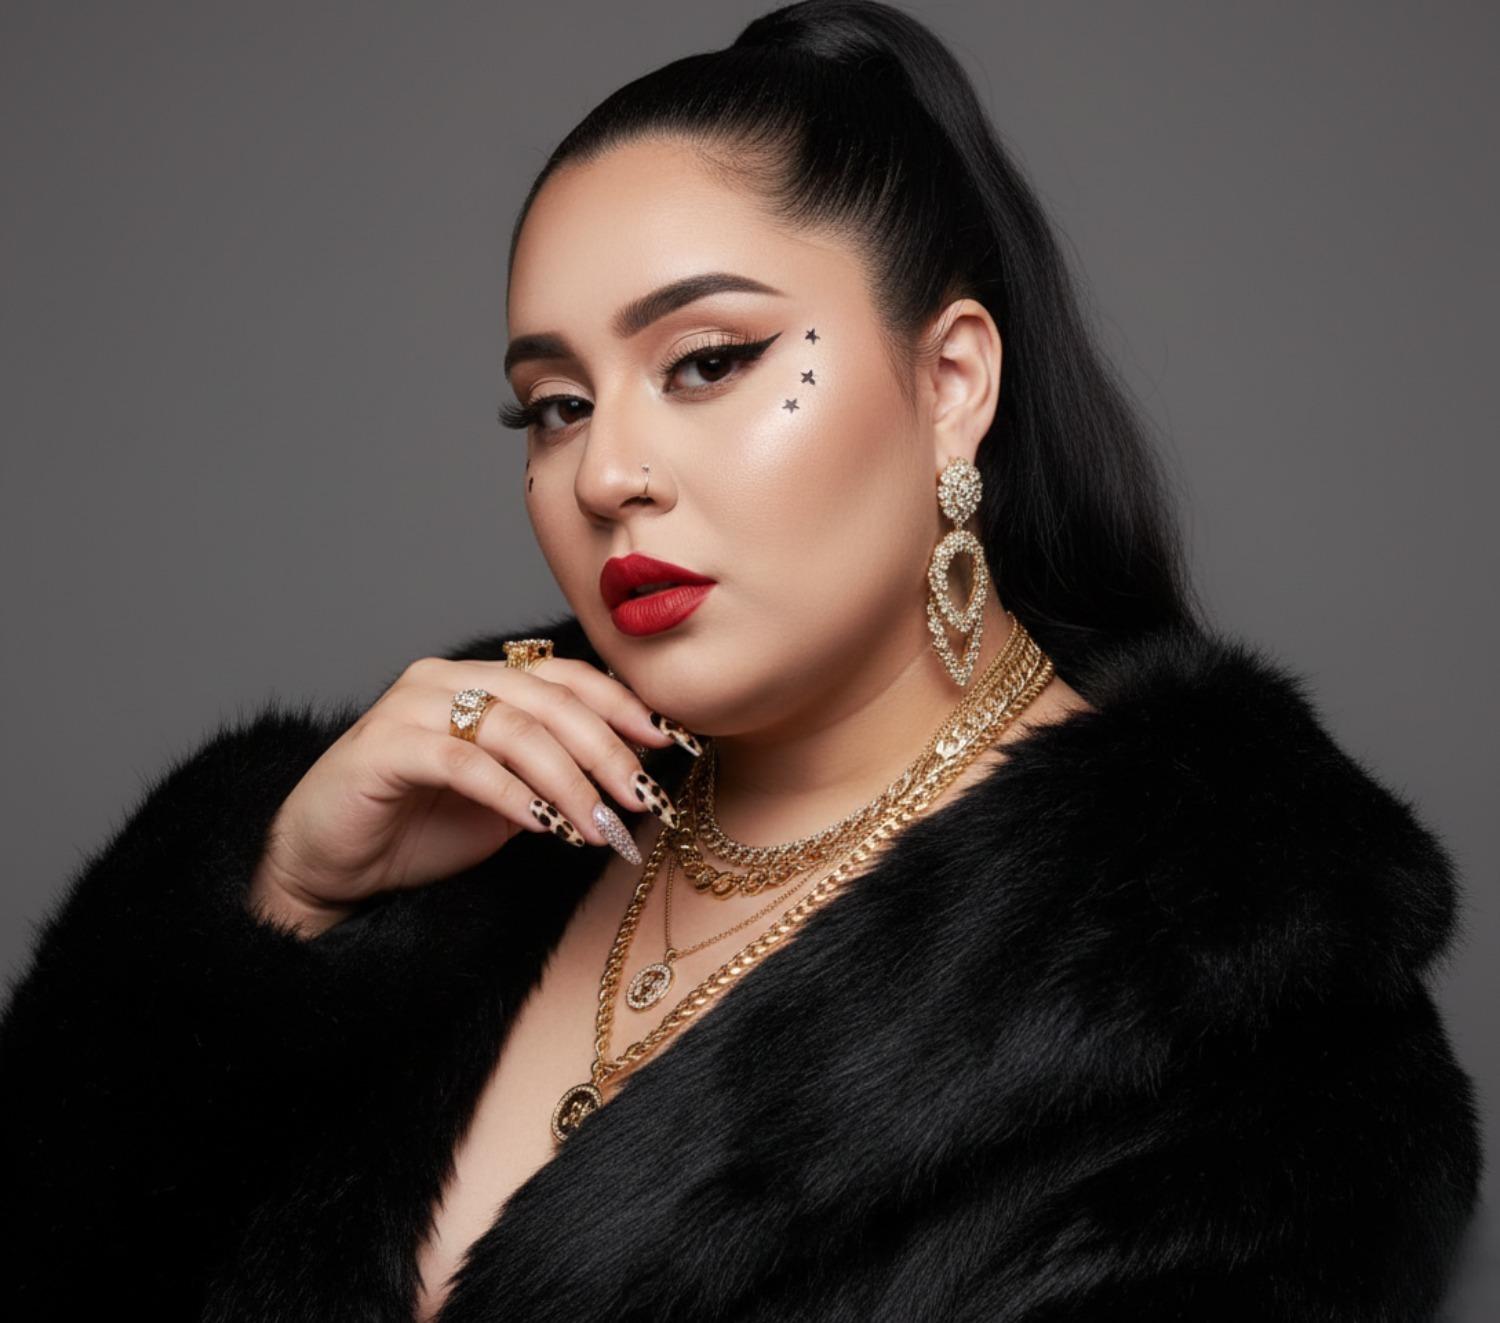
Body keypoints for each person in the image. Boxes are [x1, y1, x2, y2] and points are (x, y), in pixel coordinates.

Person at [1, 1, 1482, 1319]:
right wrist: (282, 906)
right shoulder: (472, 832)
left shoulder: (1247, 1026)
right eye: (556, 405)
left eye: (708, 361)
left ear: (951, 381)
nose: (606, 474)